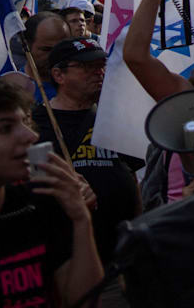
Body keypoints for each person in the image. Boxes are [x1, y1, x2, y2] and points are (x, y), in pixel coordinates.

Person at [32, 39, 139, 307]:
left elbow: (133, 179)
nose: (99, 72)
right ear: (59, 75)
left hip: (121, 262)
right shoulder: (34, 125)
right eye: (87, 66)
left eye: (101, 65)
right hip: (65, 266)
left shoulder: (112, 116)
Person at [0, 77, 103, 307]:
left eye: (25, 122)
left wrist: (81, 219)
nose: (31, 136)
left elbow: (84, 301)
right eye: (5, 128)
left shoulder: (38, 202)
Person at [17, 11, 68, 100]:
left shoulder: (80, 86)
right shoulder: (15, 91)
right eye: (46, 49)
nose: (54, 56)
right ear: (26, 46)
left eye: (61, 49)